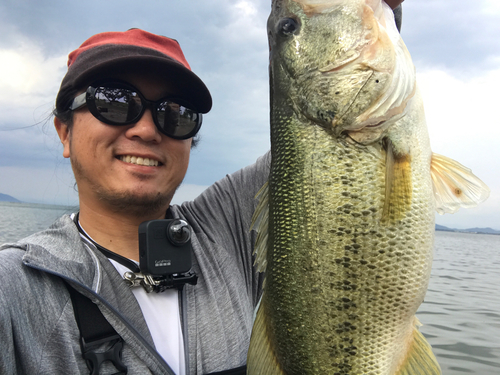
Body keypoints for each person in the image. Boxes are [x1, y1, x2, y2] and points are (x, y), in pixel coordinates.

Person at [0, 2, 404, 375]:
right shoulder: (15, 284)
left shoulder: (225, 227)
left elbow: (328, 128)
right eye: (115, 101)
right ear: (64, 131)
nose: (145, 129)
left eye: (175, 113)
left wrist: (370, 16)